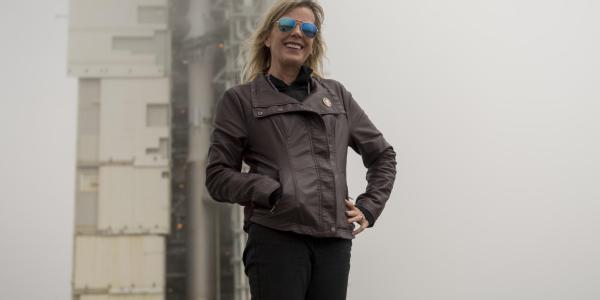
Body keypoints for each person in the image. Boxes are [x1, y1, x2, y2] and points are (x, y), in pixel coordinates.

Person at [205, 0, 397, 299]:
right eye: (286, 25)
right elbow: (217, 176)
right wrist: (271, 190)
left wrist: (370, 207)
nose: (297, 32)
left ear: (313, 44)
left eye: (308, 29)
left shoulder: (337, 96)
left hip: (333, 241)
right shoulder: (241, 100)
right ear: (268, 37)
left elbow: (383, 155)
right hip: (276, 238)